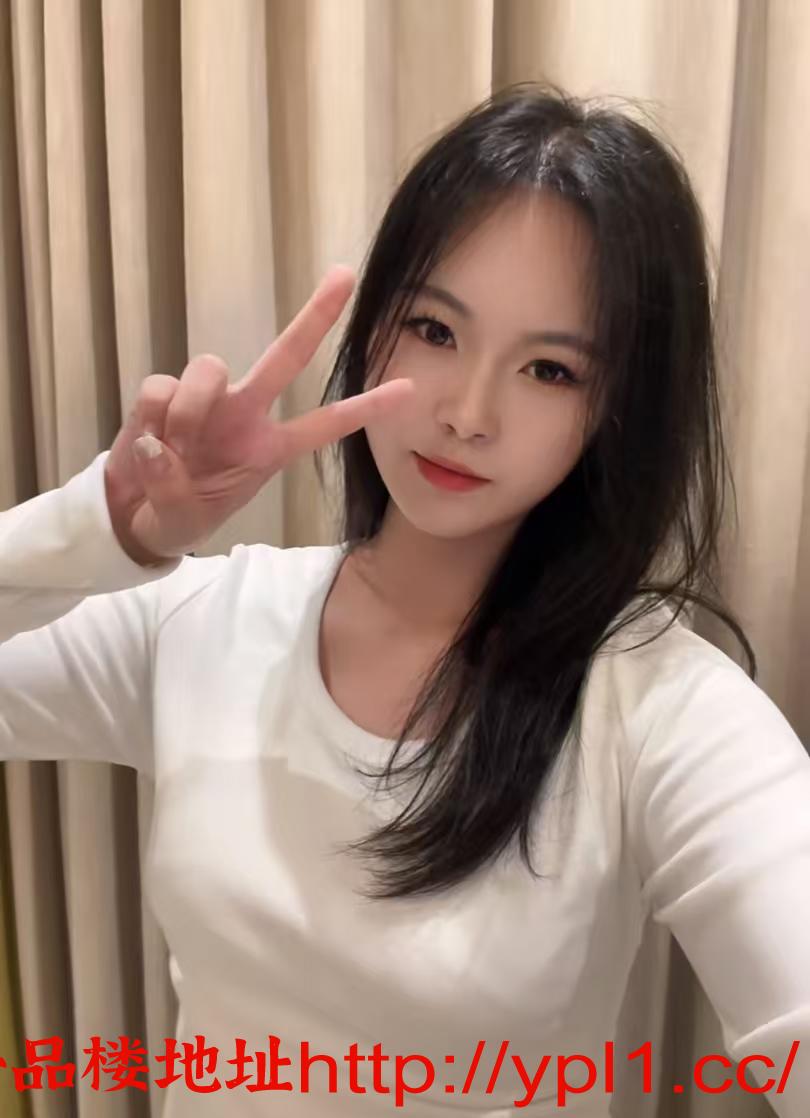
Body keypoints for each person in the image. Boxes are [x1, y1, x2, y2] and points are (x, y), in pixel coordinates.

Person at [1, 82, 808, 1118]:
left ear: (618, 409)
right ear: (376, 323)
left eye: (550, 370)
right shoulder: (203, 619)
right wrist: (110, 531)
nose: (467, 412)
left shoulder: (659, 706)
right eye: (434, 328)